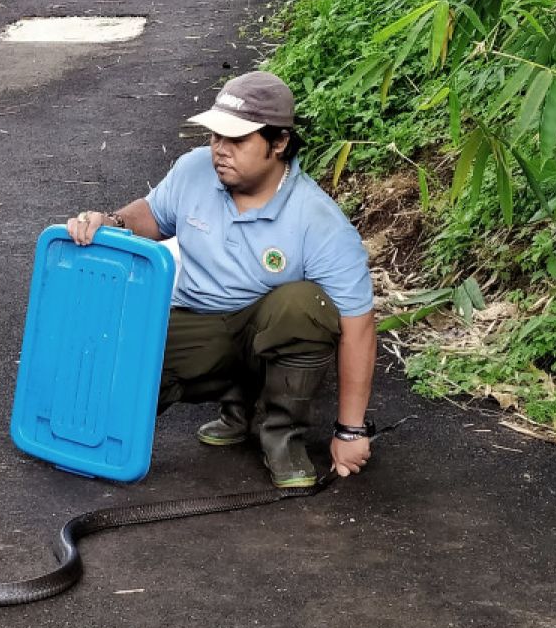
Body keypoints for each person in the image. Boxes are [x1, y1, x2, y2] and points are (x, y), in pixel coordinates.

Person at [66, 71, 376, 488]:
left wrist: (350, 430)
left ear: (279, 142)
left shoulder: (318, 221)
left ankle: (282, 434)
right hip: (199, 323)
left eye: (237, 140)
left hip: (267, 334)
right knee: (107, 398)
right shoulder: (194, 169)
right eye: (216, 137)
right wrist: (112, 221)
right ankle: (237, 404)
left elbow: (359, 329)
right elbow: (154, 216)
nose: (219, 151)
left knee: (305, 305)